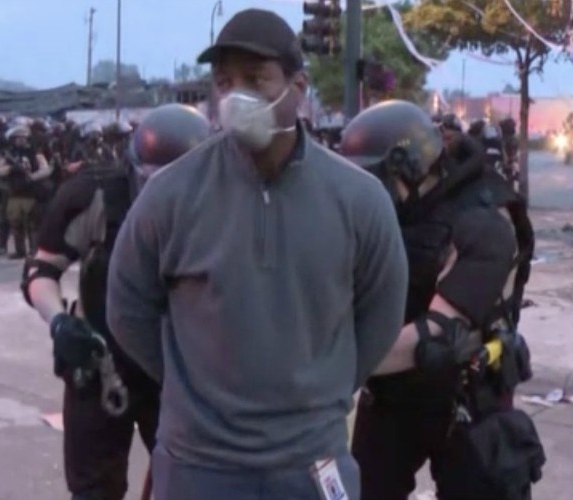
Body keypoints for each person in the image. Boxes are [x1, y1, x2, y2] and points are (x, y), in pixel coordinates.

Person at [105, 9, 408, 500]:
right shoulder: (170, 195)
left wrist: (318, 389)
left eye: (255, 78)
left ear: (298, 86)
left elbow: (380, 318)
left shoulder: (358, 200)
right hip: (198, 466)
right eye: (224, 82)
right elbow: (126, 308)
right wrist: (194, 390)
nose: (235, 97)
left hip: (310, 463)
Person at [340, 100, 544, 500]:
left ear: (409, 168)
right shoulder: (391, 214)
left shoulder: (485, 222)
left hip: (466, 398)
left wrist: (330, 368)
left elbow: (438, 336)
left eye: (373, 180)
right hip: (394, 393)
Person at [22, 103, 211, 500]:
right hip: (102, 362)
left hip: (181, 370)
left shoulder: (231, 205)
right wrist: (59, 322)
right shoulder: (93, 196)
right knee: (94, 490)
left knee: (192, 484)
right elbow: (41, 272)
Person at [0, 123, 52, 259]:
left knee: (33, 225)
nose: (20, 140)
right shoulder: (8, 155)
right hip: (14, 194)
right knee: (16, 224)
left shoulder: (35, 154)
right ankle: (20, 251)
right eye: (17, 138)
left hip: (31, 194)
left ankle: (34, 250)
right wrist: (11, 169)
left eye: (23, 138)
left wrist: (33, 177)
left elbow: (46, 169)